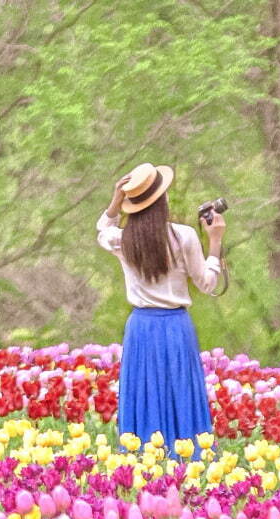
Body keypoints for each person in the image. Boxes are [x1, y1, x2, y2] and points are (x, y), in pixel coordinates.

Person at [97, 162, 225, 459]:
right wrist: (215, 242)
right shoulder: (183, 236)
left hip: (141, 327)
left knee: (144, 393)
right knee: (180, 390)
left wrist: (115, 202)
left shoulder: (122, 239)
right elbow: (207, 283)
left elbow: (103, 229)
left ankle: (144, 457)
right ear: (162, 200)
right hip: (176, 326)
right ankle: (187, 458)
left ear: (133, 205)